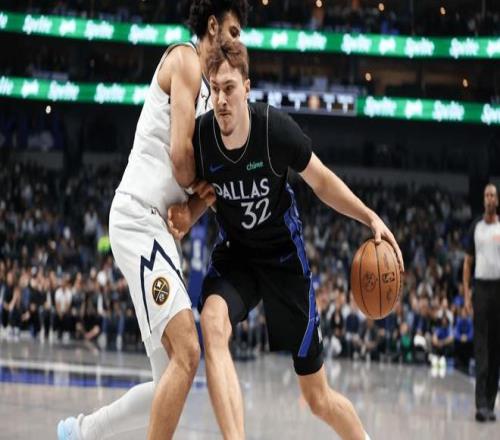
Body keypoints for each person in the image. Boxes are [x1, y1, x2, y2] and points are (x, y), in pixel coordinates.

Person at [168, 40, 404, 440]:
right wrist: (187, 212)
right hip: (237, 257)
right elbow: (198, 191)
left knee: (317, 398)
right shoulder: (202, 138)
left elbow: (322, 182)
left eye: (229, 88)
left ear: (247, 88)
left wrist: (370, 217)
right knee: (211, 322)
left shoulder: (274, 131)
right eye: (215, 89)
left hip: (284, 260)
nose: (221, 99)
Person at [57, 2, 248, 439]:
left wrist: (196, 202)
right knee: (188, 351)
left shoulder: (214, 95)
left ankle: (81, 432)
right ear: (213, 26)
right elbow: (182, 160)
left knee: (170, 382)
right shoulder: (185, 60)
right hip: (138, 216)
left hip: (159, 230)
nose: (237, 41)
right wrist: (201, 188)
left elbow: (206, 194)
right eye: (234, 31)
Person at [463, 183, 500, 423]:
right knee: (481, 348)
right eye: (486, 195)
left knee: (495, 349)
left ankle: (490, 403)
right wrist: (467, 295)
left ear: (497, 200)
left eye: (492, 195)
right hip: (481, 289)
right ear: (483, 199)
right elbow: (467, 263)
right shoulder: (475, 227)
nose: (489, 198)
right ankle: (480, 405)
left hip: (499, 288)